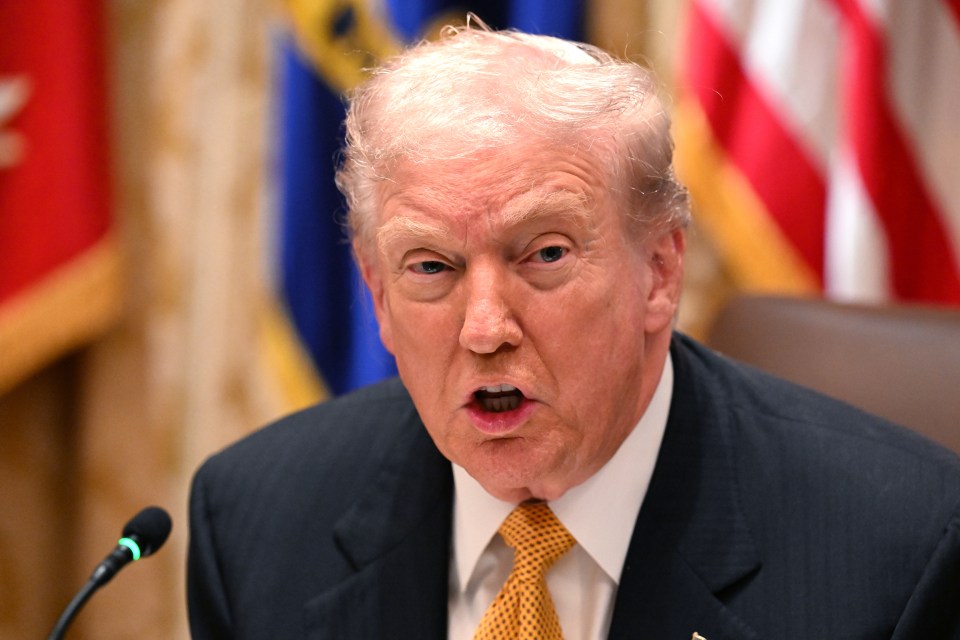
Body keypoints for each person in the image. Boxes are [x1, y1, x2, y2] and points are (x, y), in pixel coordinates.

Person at [187, 22, 960, 640]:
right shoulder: (255, 522)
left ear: (658, 270)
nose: (485, 329)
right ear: (377, 296)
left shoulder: (897, 554)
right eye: (431, 267)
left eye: (545, 254)